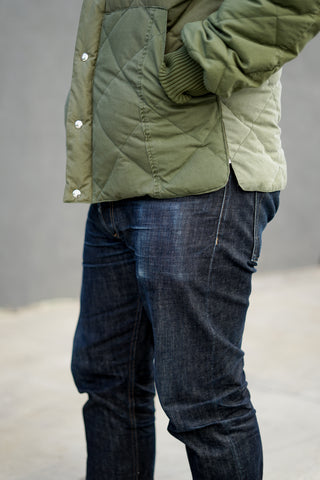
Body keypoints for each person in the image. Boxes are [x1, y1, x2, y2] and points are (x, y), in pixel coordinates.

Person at [64, 1, 320, 478]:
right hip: (118, 175)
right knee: (107, 377)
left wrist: (194, 66)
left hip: (197, 172)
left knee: (202, 399)